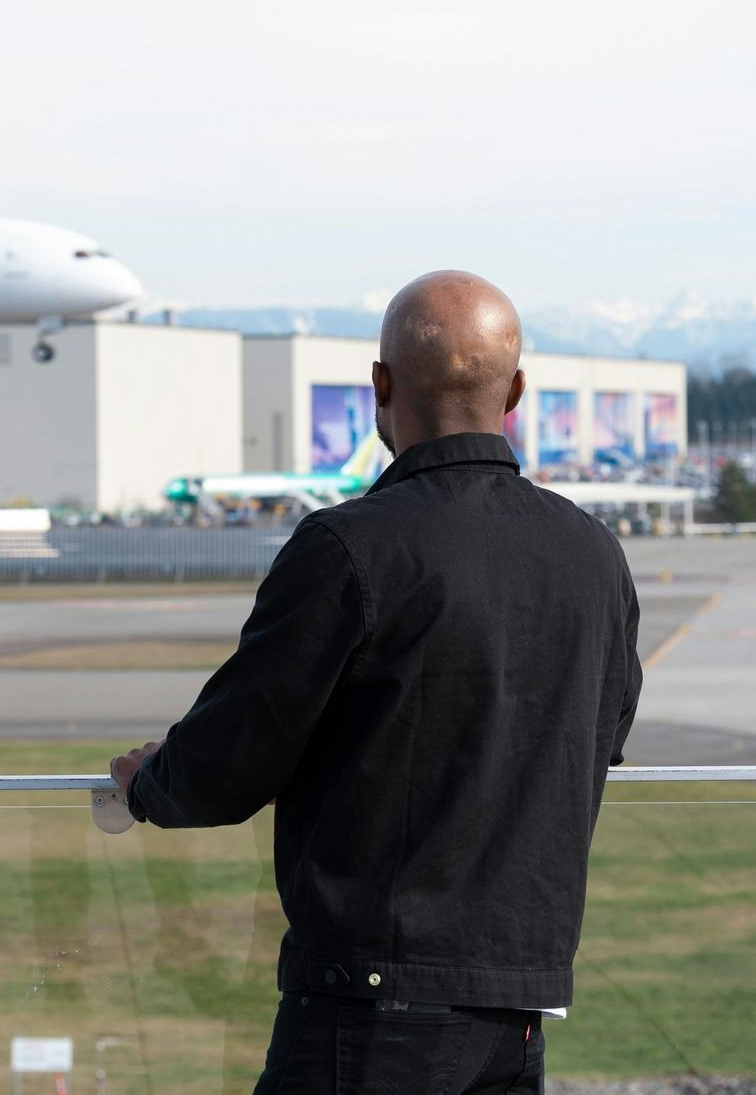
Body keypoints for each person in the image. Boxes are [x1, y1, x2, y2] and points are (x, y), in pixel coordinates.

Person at [111, 270, 641, 1094]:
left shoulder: (348, 548)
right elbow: (599, 739)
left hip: (368, 1012)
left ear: (381, 386)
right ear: (519, 393)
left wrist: (150, 784)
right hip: (518, 1013)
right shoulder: (593, 553)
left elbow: (230, 759)